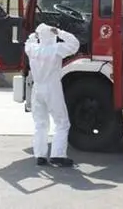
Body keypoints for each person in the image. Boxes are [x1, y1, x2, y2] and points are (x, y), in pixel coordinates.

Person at [24, 23, 80, 167]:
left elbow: (28, 41)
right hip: (52, 87)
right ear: (52, 36)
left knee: (40, 123)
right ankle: (58, 155)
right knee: (62, 123)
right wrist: (60, 32)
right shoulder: (56, 49)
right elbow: (75, 44)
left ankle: (40, 156)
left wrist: (34, 35)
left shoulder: (32, 49)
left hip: (37, 88)